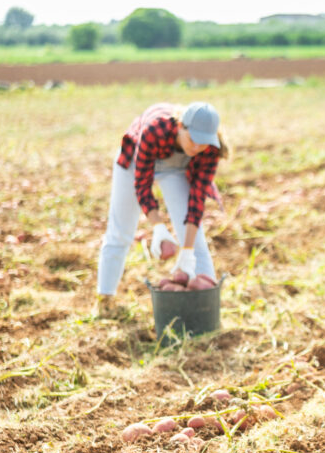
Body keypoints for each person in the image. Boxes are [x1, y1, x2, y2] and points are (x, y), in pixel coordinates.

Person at [96, 102, 228, 317]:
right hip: (134, 162)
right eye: (192, 139)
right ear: (180, 126)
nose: (196, 147)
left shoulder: (210, 149)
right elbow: (142, 184)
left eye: (202, 143)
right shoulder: (155, 130)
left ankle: (206, 310)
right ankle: (105, 300)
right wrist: (158, 227)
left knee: (196, 241)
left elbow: (197, 200)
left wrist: (186, 251)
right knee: (121, 231)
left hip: (176, 168)